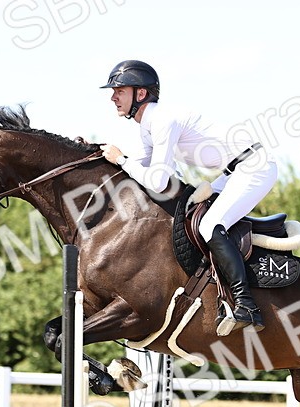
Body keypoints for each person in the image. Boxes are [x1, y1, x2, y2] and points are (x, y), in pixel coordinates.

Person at [98, 60, 276, 333]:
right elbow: (139, 166)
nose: (113, 97)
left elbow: (157, 180)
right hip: (231, 173)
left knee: (209, 225)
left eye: (119, 90)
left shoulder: (162, 120)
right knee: (192, 217)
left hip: (254, 167)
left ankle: (246, 305)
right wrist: (96, 153)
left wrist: (120, 158)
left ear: (141, 94)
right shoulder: (148, 126)